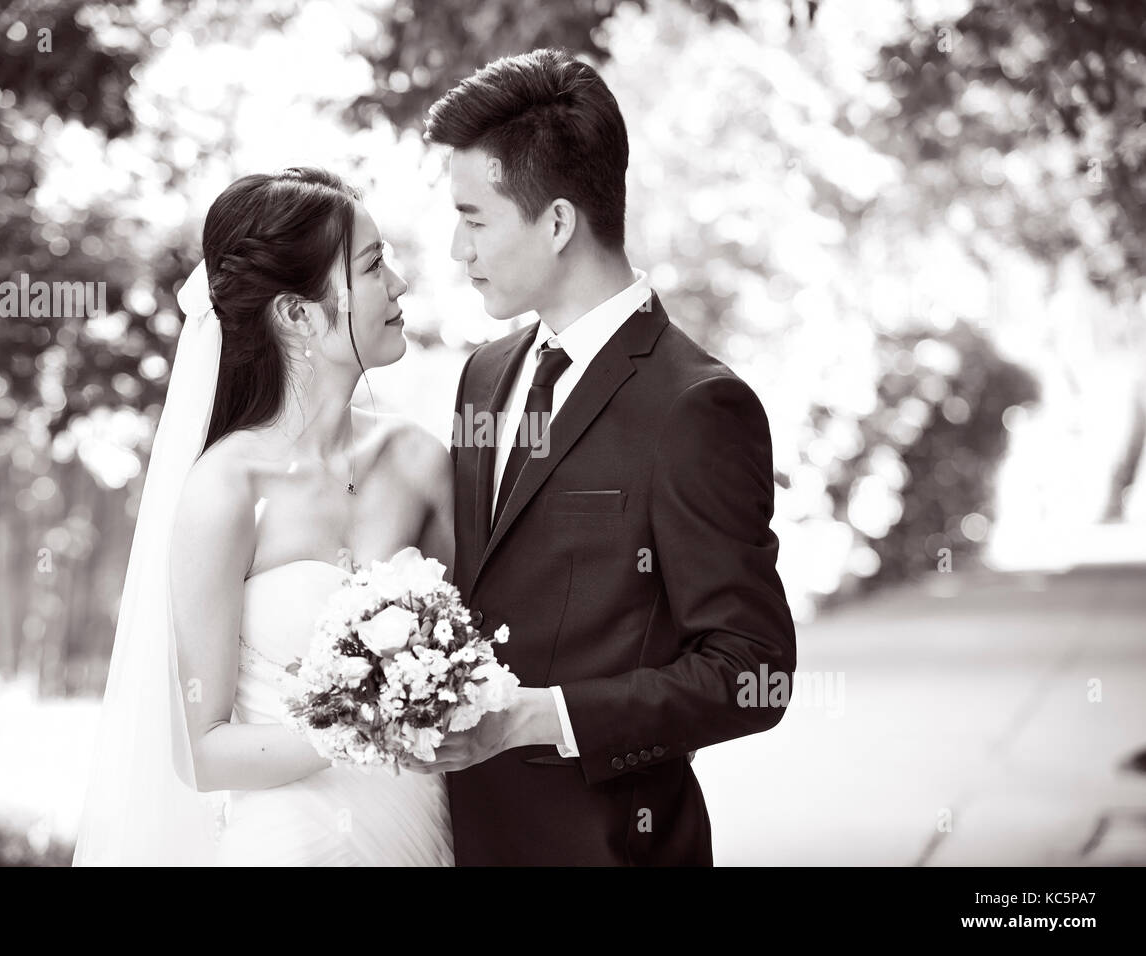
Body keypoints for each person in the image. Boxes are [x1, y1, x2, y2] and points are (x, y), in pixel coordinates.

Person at [399, 49, 798, 866]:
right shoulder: (482, 376)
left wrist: (546, 717)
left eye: (474, 219)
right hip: (462, 838)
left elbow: (753, 671)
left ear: (555, 222)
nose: (453, 247)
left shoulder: (697, 407)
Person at [73, 168, 455, 865]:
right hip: (290, 845)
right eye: (373, 267)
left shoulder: (421, 463)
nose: (398, 283)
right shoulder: (225, 489)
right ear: (298, 315)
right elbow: (204, 752)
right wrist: (366, 720)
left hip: (419, 835)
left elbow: (475, 645)